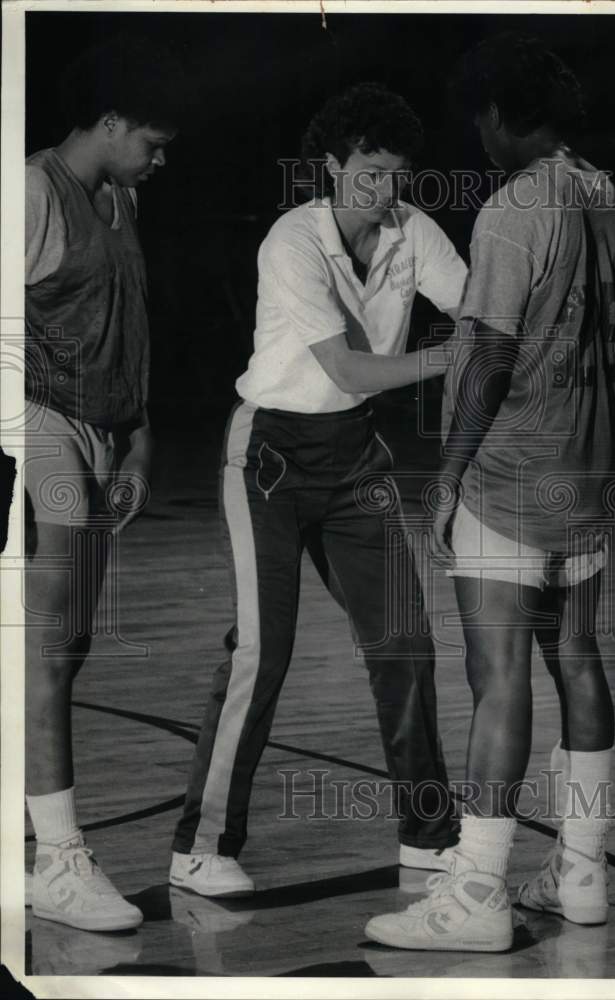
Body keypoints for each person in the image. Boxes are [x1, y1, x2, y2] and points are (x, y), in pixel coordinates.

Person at [366, 33, 615, 951]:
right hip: (589, 473)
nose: (477, 137)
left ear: (499, 115)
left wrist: (447, 478)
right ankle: (584, 875)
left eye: (479, 119)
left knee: (499, 680)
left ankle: (477, 893)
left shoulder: (514, 208)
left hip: (514, 472)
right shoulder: (606, 194)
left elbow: (484, 356)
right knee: (579, 660)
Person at [169, 83, 468, 897]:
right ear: (331, 167)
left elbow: (476, 310)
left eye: (396, 175)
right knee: (263, 653)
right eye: (368, 172)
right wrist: (447, 359)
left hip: (353, 454)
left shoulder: (415, 231)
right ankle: (200, 847)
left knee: (405, 640)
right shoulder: (290, 239)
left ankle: (428, 835)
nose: (383, 191)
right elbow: (346, 367)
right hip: (268, 450)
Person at [24, 37, 181, 931]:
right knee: (52, 646)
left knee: (67, 647)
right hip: (36, 416)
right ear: (110, 122)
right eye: (152, 142)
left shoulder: (119, 198)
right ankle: (60, 859)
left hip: (101, 429)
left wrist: (140, 442)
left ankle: (41, 823)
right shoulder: (32, 189)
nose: (162, 159)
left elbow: (130, 332)